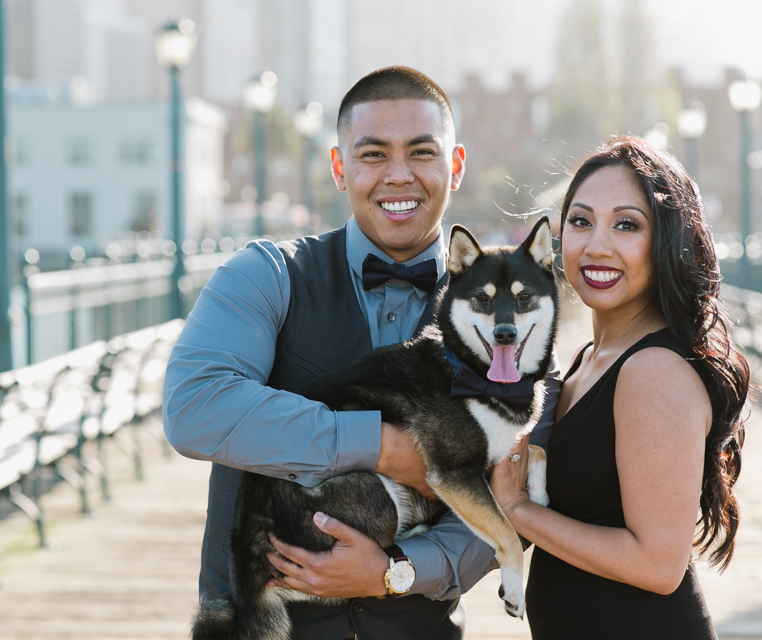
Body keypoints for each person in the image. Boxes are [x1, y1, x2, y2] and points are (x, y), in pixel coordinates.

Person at [163, 66, 558, 640]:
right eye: (373, 155)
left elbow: (509, 497)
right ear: (338, 166)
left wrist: (395, 572)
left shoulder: (515, 326)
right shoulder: (266, 276)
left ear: (456, 164)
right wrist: (381, 446)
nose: (398, 176)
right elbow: (195, 408)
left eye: (422, 153)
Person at [489, 135, 750, 639]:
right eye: (581, 221)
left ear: (668, 242)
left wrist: (517, 509)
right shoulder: (591, 359)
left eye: (627, 225)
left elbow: (658, 565)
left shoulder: (652, 370)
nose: (597, 244)